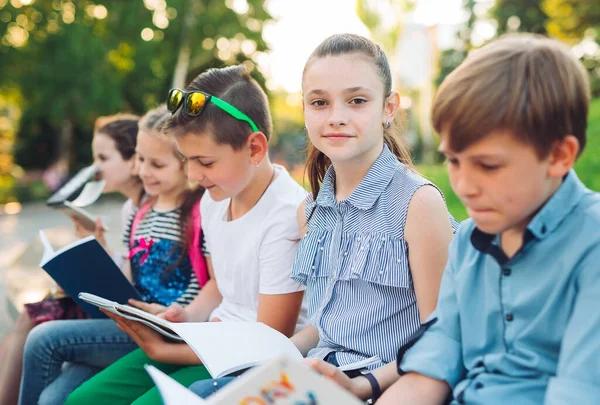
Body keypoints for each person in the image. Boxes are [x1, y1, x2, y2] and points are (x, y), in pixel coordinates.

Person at [311, 34, 600, 405]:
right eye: (454, 161)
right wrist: (362, 389)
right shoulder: (471, 241)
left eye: (488, 165)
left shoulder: (590, 245)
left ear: (559, 156)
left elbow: (577, 392)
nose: (464, 186)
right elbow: (440, 354)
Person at [188, 33, 457, 401]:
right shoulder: (312, 209)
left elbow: (440, 336)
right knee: (202, 393)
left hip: (386, 384)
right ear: (304, 109)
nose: (336, 117)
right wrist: (268, 355)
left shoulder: (418, 203)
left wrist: (364, 384)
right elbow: (326, 323)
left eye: (357, 100)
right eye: (319, 102)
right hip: (317, 373)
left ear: (388, 108)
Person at [64, 65, 308, 405]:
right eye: (186, 160)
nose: (193, 175)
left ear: (254, 148)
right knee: (82, 400)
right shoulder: (214, 199)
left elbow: (268, 340)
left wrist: (167, 349)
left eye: (205, 162)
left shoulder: (285, 216)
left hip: (246, 361)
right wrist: (184, 315)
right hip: (207, 339)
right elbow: (221, 286)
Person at [17, 105, 207, 405]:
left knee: (44, 339)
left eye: (156, 164)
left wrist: (174, 314)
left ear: (186, 164)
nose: (143, 171)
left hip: (168, 330)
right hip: (132, 320)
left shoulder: (199, 212)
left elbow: (208, 283)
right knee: (54, 396)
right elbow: (130, 282)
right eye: (141, 160)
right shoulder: (140, 213)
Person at [0, 113, 141, 405]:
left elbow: (136, 275)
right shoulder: (131, 208)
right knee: (32, 316)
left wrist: (96, 255)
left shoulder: (145, 208)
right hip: (114, 308)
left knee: (36, 319)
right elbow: (130, 264)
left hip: (128, 316)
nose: (95, 168)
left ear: (133, 160)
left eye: (103, 158)